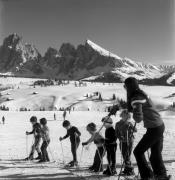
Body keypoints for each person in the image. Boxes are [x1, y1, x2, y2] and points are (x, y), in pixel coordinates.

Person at [124, 77, 171, 180]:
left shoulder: (136, 97)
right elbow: (142, 107)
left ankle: (147, 176)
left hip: (154, 128)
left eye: (125, 87)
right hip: (159, 125)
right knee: (155, 155)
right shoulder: (141, 93)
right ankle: (161, 176)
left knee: (138, 152)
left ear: (128, 87)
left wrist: (135, 113)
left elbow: (138, 118)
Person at [115, 109, 136, 176]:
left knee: (127, 156)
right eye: (124, 115)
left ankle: (130, 170)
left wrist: (131, 128)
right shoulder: (118, 124)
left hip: (129, 141)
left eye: (127, 116)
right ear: (122, 115)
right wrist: (119, 137)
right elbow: (116, 133)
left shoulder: (129, 123)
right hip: (122, 141)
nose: (126, 117)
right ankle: (127, 169)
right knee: (124, 156)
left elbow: (135, 130)